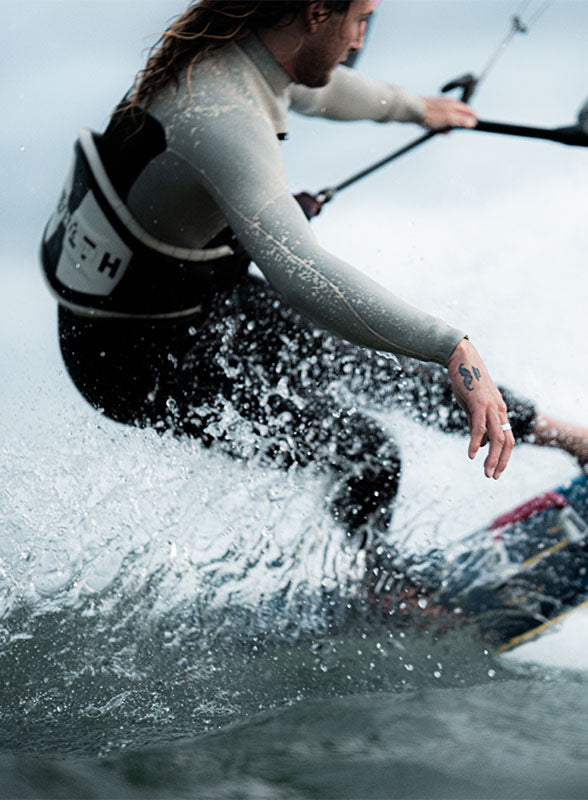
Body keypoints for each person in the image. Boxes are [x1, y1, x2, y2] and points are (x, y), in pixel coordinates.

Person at [41, 0, 588, 549]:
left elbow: (321, 91)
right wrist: (454, 347)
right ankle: (379, 591)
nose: (359, 40)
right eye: (360, 19)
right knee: (368, 453)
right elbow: (302, 272)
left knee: (389, 369)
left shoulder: (245, 59)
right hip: (132, 357)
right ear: (317, 12)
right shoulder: (219, 112)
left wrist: (416, 108)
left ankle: (574, 440)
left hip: (201, 300)